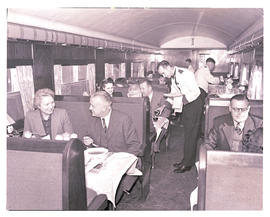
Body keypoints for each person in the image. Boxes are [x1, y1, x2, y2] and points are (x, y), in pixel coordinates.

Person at [157, 60, 203, 173]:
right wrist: (164, 105)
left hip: (194, 104)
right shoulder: (174, 77)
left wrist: (180, 97)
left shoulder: (185, 74)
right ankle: (186, 160)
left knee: (191, 135)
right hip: (187, 105)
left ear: (168, 67)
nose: (164, 76)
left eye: (163, 73)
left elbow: (195, 92)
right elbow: (174, 92)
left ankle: (187, 164)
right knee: (187, 134)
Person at [83, 91, 142, 156]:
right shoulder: (92, 120)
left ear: (104, 108)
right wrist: (89, 142)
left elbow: (135, 146)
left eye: (93, 106)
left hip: (121, 161)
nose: (90, 108)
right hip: (101, 161)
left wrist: (122, 160)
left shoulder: (124, 120)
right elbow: (90, 140)